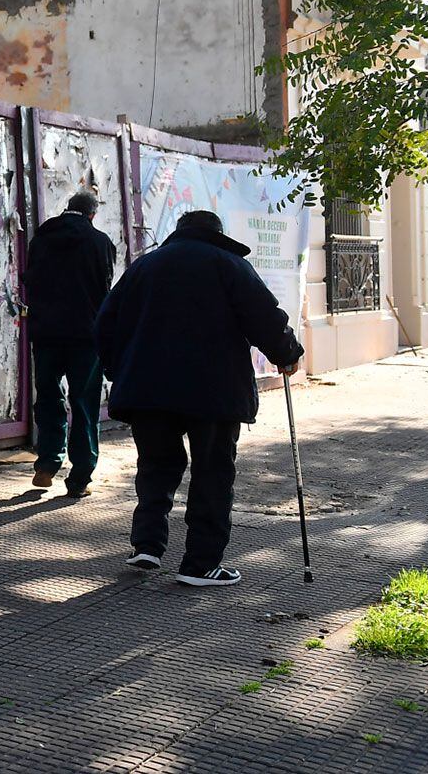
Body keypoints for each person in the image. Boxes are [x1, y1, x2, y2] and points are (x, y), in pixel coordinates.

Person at [95, 209, 305, 588]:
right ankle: (200, 564)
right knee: (212, 471)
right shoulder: (229, 265)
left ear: (179, 232)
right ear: (217, 234)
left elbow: (104, 324)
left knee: (156, 465)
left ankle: (147, 544)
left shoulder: (144, 267)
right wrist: (287, 354)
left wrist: (117, 369)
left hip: (148, 388)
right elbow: (264, 316)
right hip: (213, 391)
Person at [22, 191, 118, 497]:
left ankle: (47, 464)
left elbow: (30, 281)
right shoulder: (100, 242)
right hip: (84, 337)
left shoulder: (41, 238)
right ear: (92, 215)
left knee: (48, 396)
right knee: (84, 402)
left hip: (46, 333)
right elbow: (105, 290)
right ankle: (80, 477)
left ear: (69, 209)